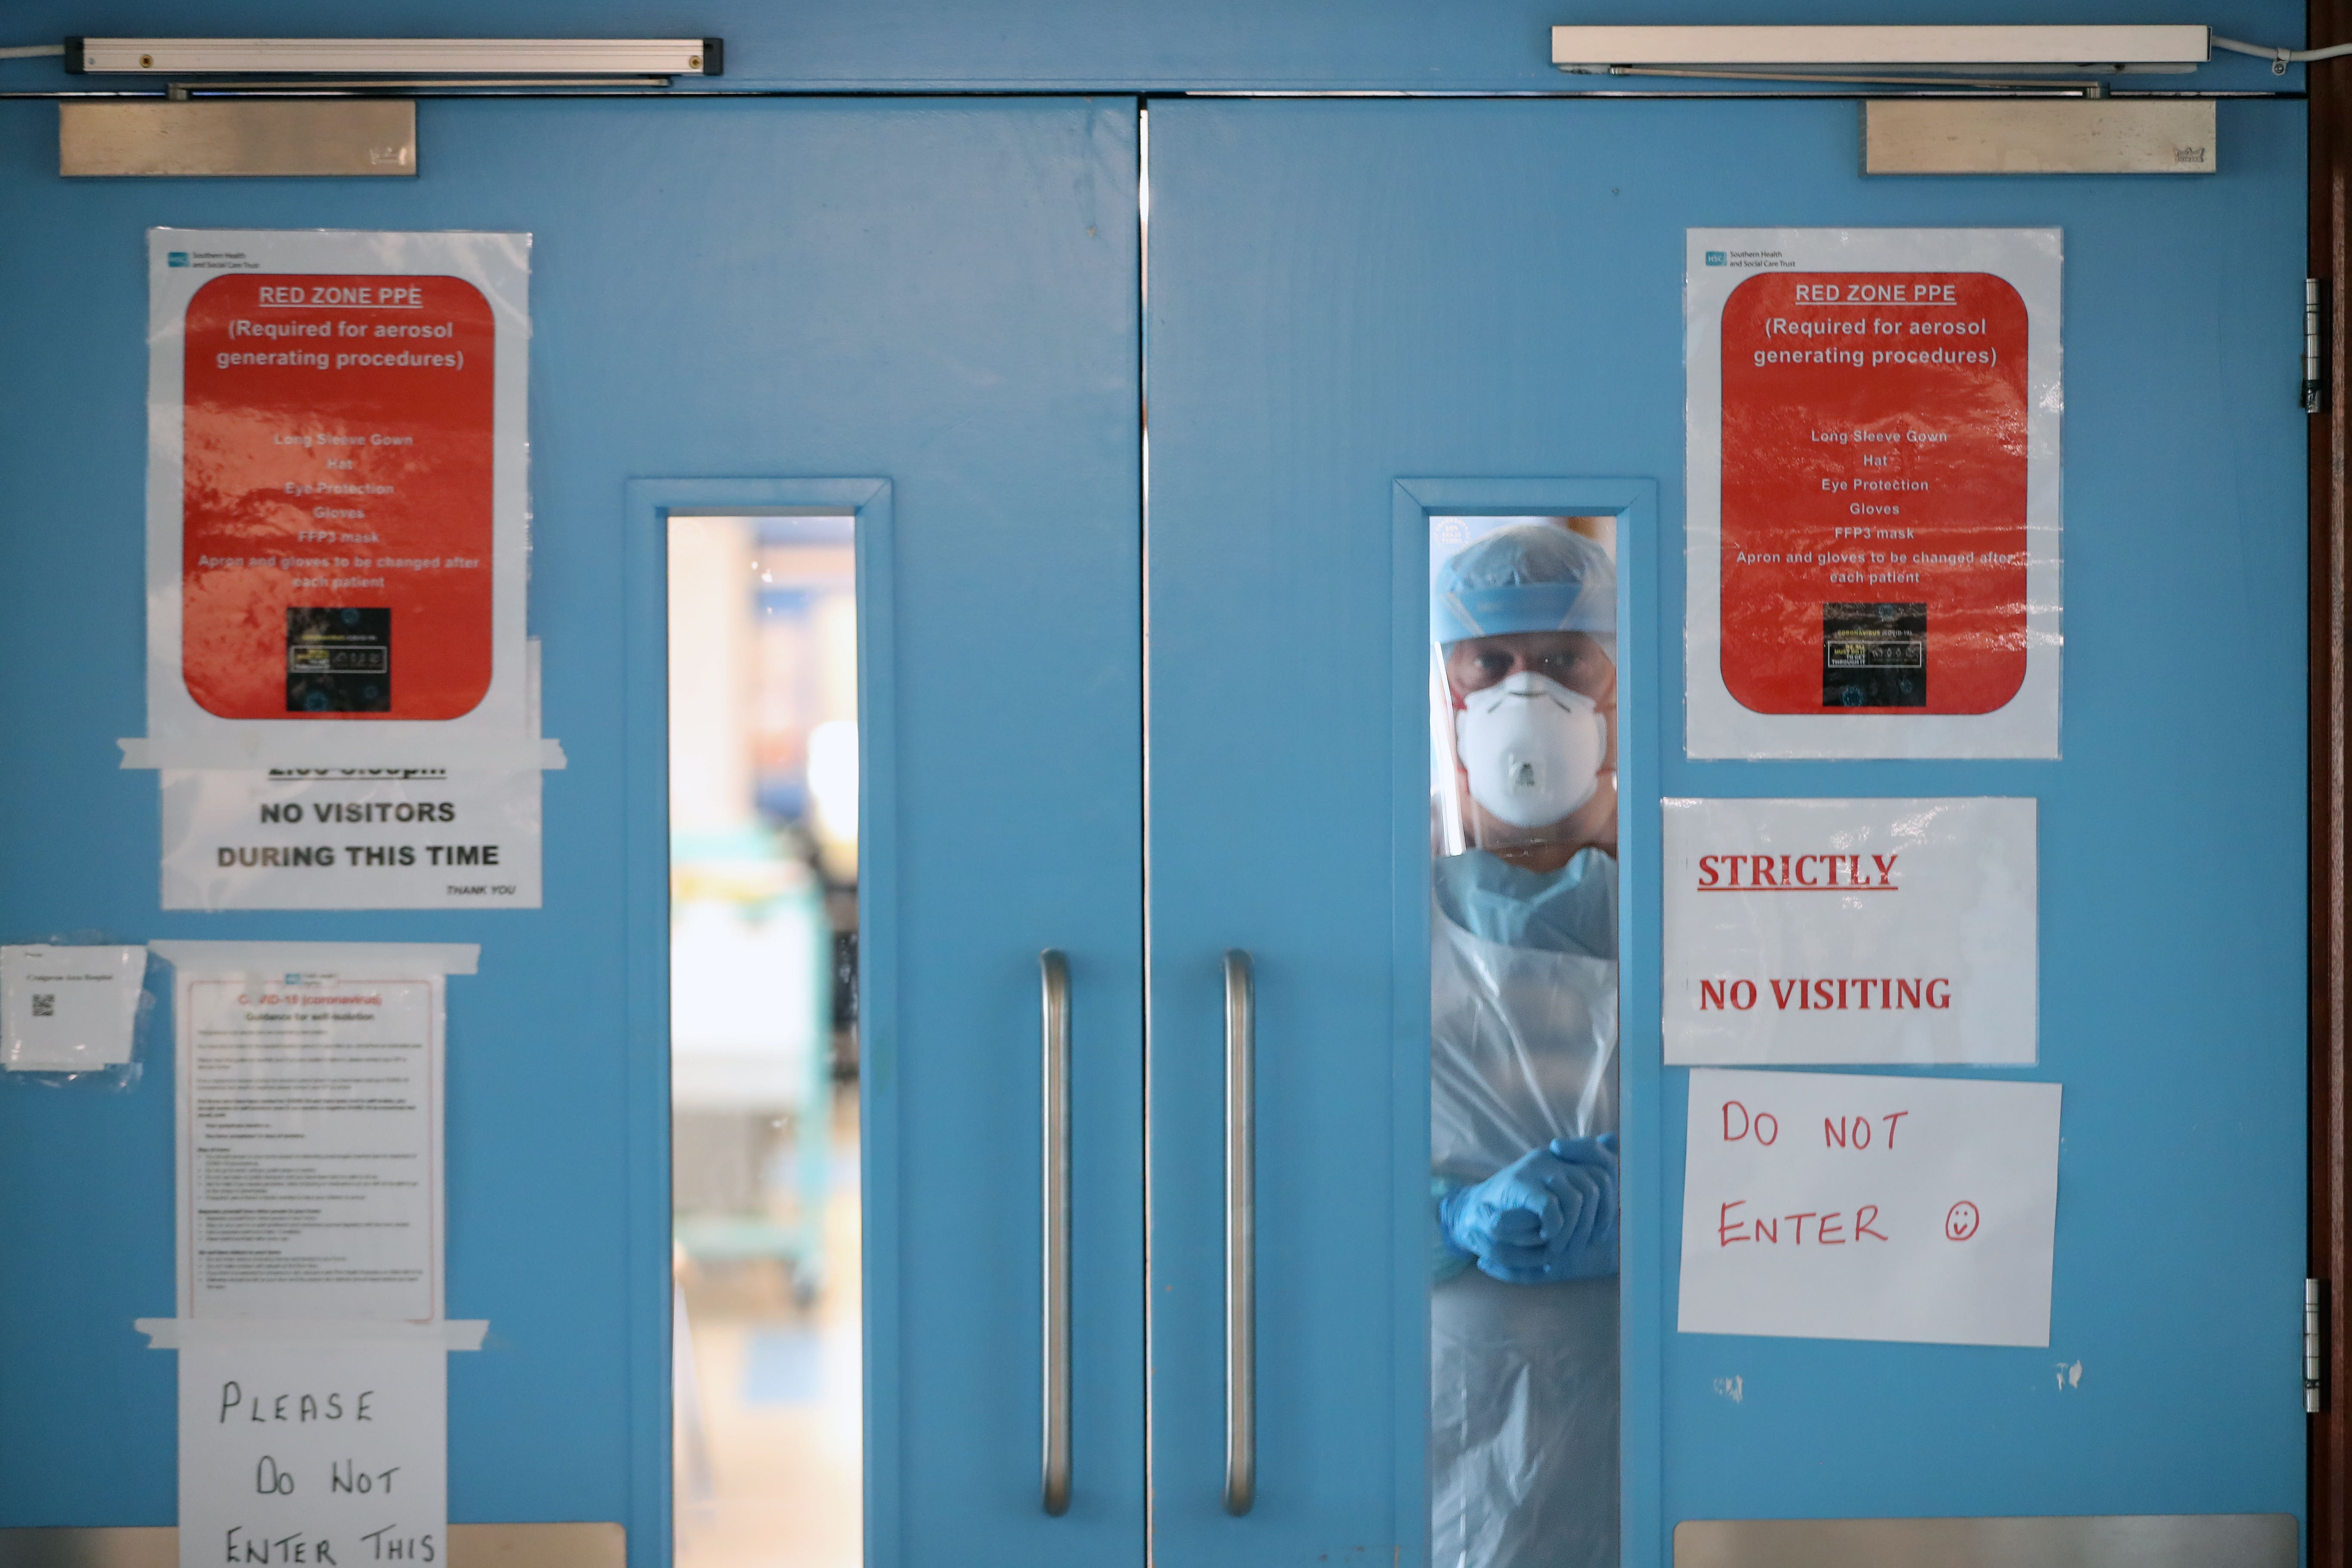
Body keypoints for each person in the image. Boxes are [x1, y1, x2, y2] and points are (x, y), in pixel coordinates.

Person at [1429, 521, 1620, 1568]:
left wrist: (1678, 1209)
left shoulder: (1702, 897)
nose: (1524, 695)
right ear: (1450, 697)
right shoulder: (1382, 900)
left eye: (1560, 663)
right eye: (1490, 665)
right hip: (1443, 1406)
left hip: (1652, 1403)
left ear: (1617, 691)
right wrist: (1445, 1217)